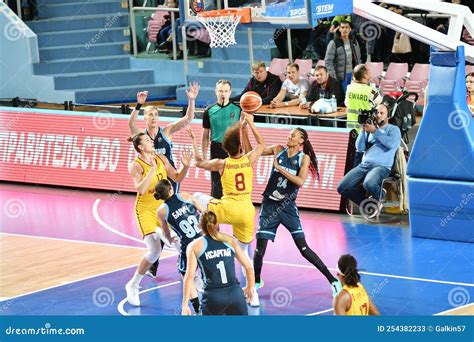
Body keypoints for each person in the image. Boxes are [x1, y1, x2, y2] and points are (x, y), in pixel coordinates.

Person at [242, 127, 342, 301]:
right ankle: (256, 282)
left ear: (301, 141)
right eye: (289, 134)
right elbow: (253, 152)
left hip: (287, 207)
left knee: (304, 249)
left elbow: (300, 181)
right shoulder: (278, 149)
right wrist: (245, 128)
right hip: (269, 206)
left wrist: (279, 169)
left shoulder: (304, 158)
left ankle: (333, 281)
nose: (289, 136)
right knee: (259, 249)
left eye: (293, 135)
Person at [190, 114, 265, 305]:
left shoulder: (222, 163)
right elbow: (262, 144)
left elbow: (199, 162)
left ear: (225, 148)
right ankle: (252, 293)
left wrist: (193, 140)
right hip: (247, 210)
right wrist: (250, 124)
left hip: (226, 208)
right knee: (243, 253)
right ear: (240, 147)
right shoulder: (248, 160)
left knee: (197, 197)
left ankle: (202, 233)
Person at [128, 82, 199, 278]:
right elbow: (130, 125)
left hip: (169, 183)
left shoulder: (166, 132)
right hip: (151, 186)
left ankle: (183, 263)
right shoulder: (142, 139)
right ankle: (155, 262)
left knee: (172, 224)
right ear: (145, 118)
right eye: (150, 115)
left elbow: (188, 119)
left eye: (156, 115)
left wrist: (191, 100)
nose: (153, 118)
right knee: (157, 229)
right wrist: (138, 105)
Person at [125, 133, 192, 307]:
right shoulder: (136, 165)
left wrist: (186, 167)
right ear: (140, 147)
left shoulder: (161, 158)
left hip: (162, 208)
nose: (151, 141)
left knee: (180, 246)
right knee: (154, 250)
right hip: (145, 210)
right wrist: (153, 170)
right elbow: (140, 189)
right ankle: (133, 284)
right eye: (147, 140)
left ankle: (194, 280)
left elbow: (176, 177)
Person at [182, 211, 255, 315]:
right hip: (235, 295)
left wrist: (185, 305)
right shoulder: (230, 241)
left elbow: (189, 276)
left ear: (199, 226)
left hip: (213, 298)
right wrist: (250, 287)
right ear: (217, 224)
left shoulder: (194, 246)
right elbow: (248, 267)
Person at [337, 103, 401, 219]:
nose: (379, 115)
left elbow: (391, 144)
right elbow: (360, 148)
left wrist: (375, 131)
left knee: (368, 183)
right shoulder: (369, 129)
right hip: (364, 165)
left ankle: (381, 195)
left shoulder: (393, 129)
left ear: (388, 116)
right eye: (377, 112)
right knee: (342, 187)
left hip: (382, 167)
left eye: (382, 113)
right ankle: (368, 203)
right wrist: (363, 130)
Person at [155, 179, 203, 315]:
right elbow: (200, 207)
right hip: (203, 239)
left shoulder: (161, 211)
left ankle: (197, 307)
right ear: (171, 188)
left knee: (185, 274)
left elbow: (165, 231)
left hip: (189, 245)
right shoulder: (185, 196)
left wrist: (170, 238)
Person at [202, 80, 242, 199]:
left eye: (225, 91)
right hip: (216, 149)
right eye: (220, 91)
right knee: (217, 183)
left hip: (234, 149)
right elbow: (205, 135)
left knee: (233, 180)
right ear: (216, 92)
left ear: (230, 92)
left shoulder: (238, 110)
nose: (223, 93)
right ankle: (216, 211)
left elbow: (243, 131)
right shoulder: (209, 111)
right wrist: (204, 156)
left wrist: (243, 150)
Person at [324, 20, 362, 91]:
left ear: (350, 29)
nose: (344, 29)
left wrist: (358, 74)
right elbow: (328, 62)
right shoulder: (333, 43)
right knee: (342, 98)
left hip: (353, 75)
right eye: (342, 27)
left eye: (346, 27)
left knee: (351, 97)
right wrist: (333, 77)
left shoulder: (354, 42)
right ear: (339, 29)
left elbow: (358, 59)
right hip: (340, 77)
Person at [345, 64, 383, 130]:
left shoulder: (349, 89)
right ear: (365, 76)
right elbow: (381, 106)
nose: (371, 72)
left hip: (351, 130)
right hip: (366, 130)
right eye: (369, 71)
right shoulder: (371, 91)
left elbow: (346, 103)